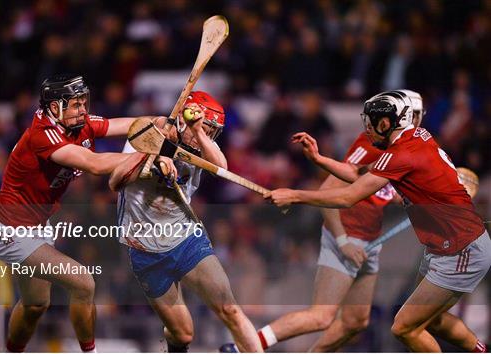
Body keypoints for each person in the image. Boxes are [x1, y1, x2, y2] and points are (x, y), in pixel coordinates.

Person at [265, 91, 490, 352]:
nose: (367, 130)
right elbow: (358, 174)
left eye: (371, 123)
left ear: (386, 123)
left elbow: (349, 197)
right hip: (444, 247)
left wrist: (293, 195)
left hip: (462, 249)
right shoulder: (415, 138)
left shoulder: (401, 155)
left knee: (405, 327)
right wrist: (319, 159)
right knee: (433, 320)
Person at [0, 75, 155, 353]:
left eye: (82, 103)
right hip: (11, 231)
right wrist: (149, 158)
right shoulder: (44, 135)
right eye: (75, 105)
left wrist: (163, 123)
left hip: (36, 227)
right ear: (55, 108)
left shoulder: (73, 122)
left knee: (35, 305)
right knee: (83, 284)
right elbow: (96, 164)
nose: (82, 110)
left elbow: (123, 124)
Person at [255, 91, 423, 352]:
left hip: (369, 241)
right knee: (321, 317)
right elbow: (331, 191)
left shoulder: (402, 149)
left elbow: (375, 187)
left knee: (356, 322)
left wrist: (403, 198)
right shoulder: (372, 144)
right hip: (348, 236)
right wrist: (344, 242)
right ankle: (245, 344)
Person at [112, 91, 263, 352]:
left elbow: (222, 169)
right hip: (144, 248)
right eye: (204, 127)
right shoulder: (148, 130)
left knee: (230, 309)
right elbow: (116, 181)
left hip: (185, 239)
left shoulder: (201, 143)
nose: (205, 134)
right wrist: (154, 152)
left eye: (211, 131)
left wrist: (200, 133)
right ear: (182, 118)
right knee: (182, 334)